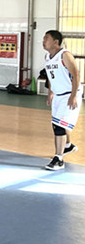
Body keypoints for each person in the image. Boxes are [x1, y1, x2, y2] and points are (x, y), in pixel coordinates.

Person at [42, 30, 81, 171]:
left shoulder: (65, 55)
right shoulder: (48, 57)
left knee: (57, 126)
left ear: (56, 42)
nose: (43, 41)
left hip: (69, 94)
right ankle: (68, 146)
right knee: (59, 123)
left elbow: (76, 75)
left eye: (46, 38)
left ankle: (58, 159)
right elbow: (51, 76)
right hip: (58, 94)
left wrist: (73, 95)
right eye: (43, 38)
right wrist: (50, 92)